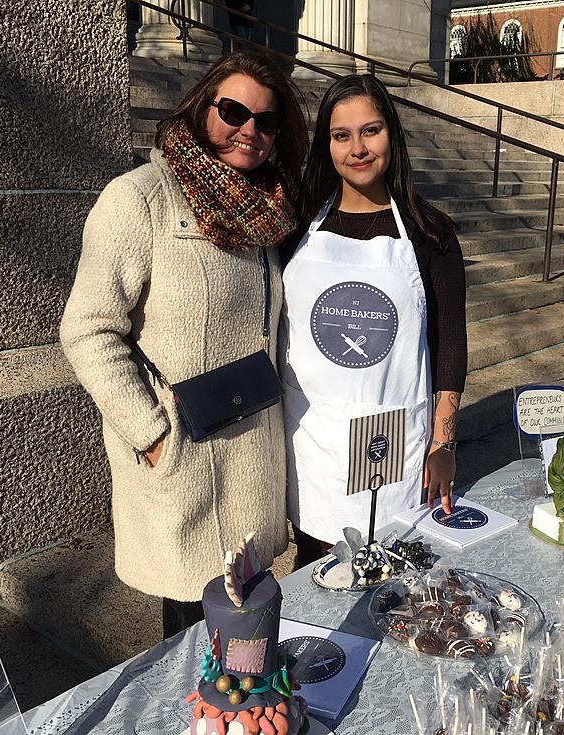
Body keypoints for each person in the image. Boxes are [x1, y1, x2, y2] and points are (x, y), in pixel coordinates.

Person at [59, 53, 307, 639]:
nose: (250, 130)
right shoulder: (141, 198)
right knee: (193, 644)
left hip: (251, 461)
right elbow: (88, 328)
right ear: (202, 110)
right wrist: (152, 433)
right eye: (234, 111)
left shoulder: (266, 209)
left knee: (246, 641)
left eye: (266, 121)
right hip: (186, 462)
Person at [279, 74, 467, 568]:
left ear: (393, 137)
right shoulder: (294, 226)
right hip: (313, 439)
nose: (358, 148)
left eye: (371, 131)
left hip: (391, 439)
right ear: (327, 146)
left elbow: (449, 346)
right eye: (342, 135)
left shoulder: (431, 233)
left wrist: (443, 442)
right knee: (315, 577)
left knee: (391, 572)